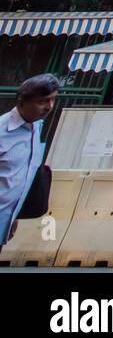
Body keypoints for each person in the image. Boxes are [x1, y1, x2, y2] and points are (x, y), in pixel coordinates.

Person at [0, 73, 59, 249]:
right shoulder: (2, 131)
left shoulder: (36, 127)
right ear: (21, 102)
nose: (49, 107)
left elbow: (21, 177)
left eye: (53, 100)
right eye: (42, 101)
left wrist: (15, 215)